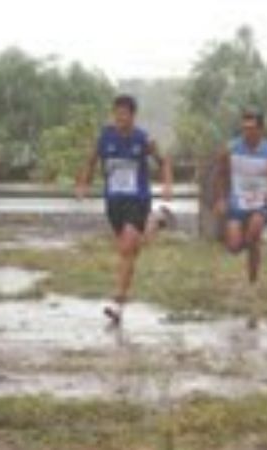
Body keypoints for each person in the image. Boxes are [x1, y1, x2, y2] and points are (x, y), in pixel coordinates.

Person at [77, 95, 174, 327]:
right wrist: (84, 184)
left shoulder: (143, 139)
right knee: (131, 251)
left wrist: (167, 185)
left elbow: (164, 162)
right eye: (116, 113)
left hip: (138, 199)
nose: (120, 117)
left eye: (125, 113)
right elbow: (91, 161)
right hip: (114, 202)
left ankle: (117, 302)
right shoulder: (105, 137)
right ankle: (157, 221)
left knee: (126, 248)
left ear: (133, 115)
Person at [213, 111, 267, 326]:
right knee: (235, 246)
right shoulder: (231, 149)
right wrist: (220, 199)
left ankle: (252, 282)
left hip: (259, 204)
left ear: (260, 130)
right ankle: (247, 246)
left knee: (254, 232)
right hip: (237, 202)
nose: (247, 132)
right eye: (244, 128)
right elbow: (220, 173)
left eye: (251, 128)